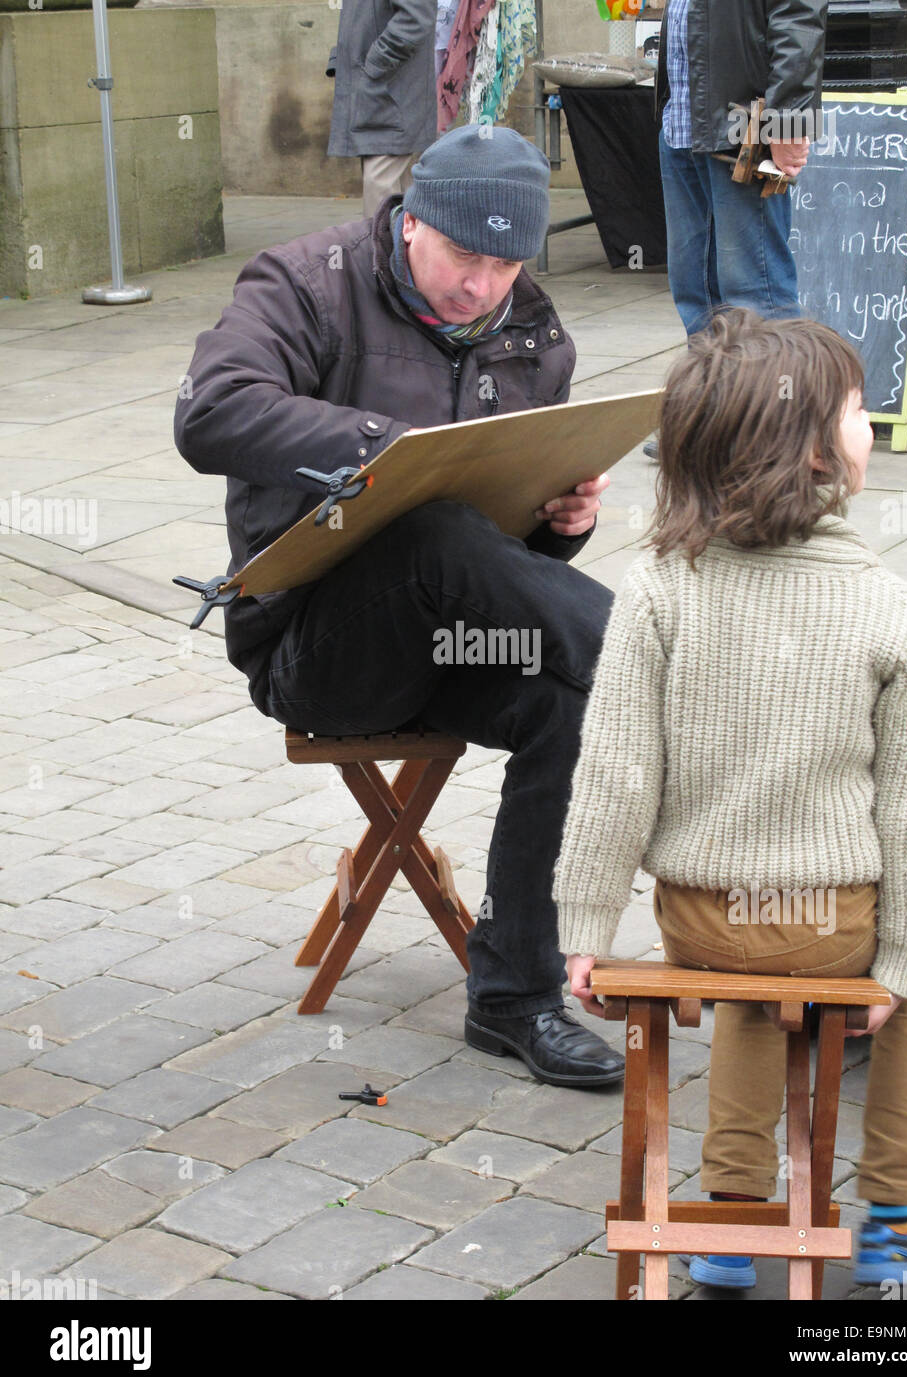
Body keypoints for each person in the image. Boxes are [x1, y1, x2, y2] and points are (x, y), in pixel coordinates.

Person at [174, 124, 625, 1089]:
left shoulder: (536, 333)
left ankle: (515, 999)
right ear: (411, 221)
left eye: (508, 264)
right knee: (432, 528)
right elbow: (209, 411)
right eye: (465, 256)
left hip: (455, 641)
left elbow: (508, 560)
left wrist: (563, 523)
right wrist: (395, 453)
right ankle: (656, 667)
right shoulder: (305, 282)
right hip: (312, 647)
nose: (484, 286)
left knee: (574, 712)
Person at [553, 308, 907, 1288]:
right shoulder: (884, 605)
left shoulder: (657, 586)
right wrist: (902, 958)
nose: (869, 426)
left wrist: (583, 928)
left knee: (749, 1002)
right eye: (857, 411)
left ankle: (730, 1216)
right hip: (833, 923)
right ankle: (901, 1215)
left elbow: (613, 774)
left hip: (702, 924)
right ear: (815, 457)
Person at [643, 0, 827, 460]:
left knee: (756, 291)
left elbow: (799, 16)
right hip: (683, 123)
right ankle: (711, 425)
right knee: (695, 289)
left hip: (746, 123)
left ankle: (781, 434)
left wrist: (789, 121)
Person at [327, 0, 438, 219]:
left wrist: (374, 63)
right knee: (402, 196)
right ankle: (401, 250)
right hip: (381, 90)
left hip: (392, 92)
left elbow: (416, 18)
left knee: (382, 189)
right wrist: (342, 60)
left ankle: (385, 251)